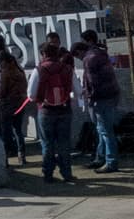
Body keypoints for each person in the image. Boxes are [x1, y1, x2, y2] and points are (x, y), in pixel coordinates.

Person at [34, 37, 75, 184]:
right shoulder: (67, 69)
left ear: (43, 54)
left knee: (47, 144)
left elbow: (30, 94)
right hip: (64, 110)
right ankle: (67, 173)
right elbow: (76, 90)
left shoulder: (40, 69)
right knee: (64, 143)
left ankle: (48, 174)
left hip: (46, 111)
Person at [81, 29, 121, 172]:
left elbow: (93, 82)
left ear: (88, 41)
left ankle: (110, 161)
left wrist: (90, 97)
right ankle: (101, 157)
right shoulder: (102, 54)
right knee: (103, 130)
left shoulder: (89, 58)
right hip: (112, 94)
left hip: (101, 98)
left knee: (105, 131)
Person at [0, 41, 29, 166]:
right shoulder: (20, 72)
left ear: (5, 62)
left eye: (1, 63)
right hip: (20, 102)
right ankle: (21, 155)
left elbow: (2, 92)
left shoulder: (5, 73)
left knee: (6, 131)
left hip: (7, 104)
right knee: (18, 130)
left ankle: (6, 157)